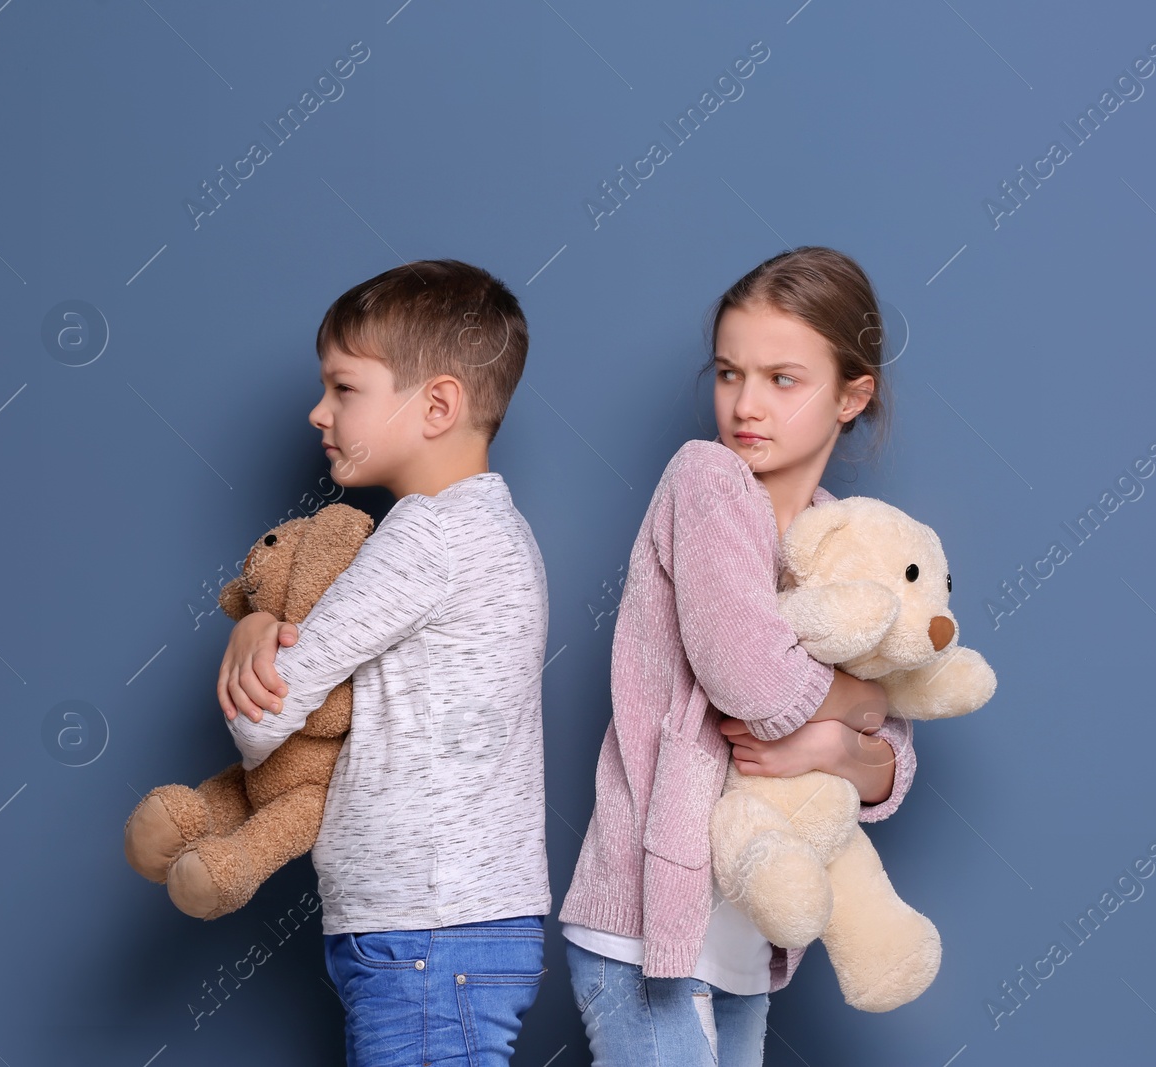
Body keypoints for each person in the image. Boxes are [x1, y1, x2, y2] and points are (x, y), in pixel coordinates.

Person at [557, 246, 917, 1065]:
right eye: (728, 374)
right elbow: (750, 677)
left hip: (744, 946)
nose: (745, 404)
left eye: (782, 379)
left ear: (851, 395)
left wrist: (833, 743)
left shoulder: (843, 541)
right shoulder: (708, 481)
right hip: (648, 930)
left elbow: (893, 763)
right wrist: (856, 709)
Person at [217, 260, 551, 1067]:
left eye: (344, 388)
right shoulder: (501, 530)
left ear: (436, 403)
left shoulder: (423, 538)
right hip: (451, 926)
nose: (318, 411)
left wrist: (251, 634)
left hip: (426, 929)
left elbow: (265, 718)